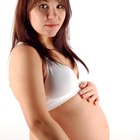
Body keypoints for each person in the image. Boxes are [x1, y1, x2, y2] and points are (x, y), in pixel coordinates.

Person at [9, 0, 109, 139]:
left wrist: (85, 90)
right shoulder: (25, 52)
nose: (53, 14)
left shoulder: (57, 48)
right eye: (43, 6)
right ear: (25, 11)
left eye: (59, 6)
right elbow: (38, 123)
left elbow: (62, 94)